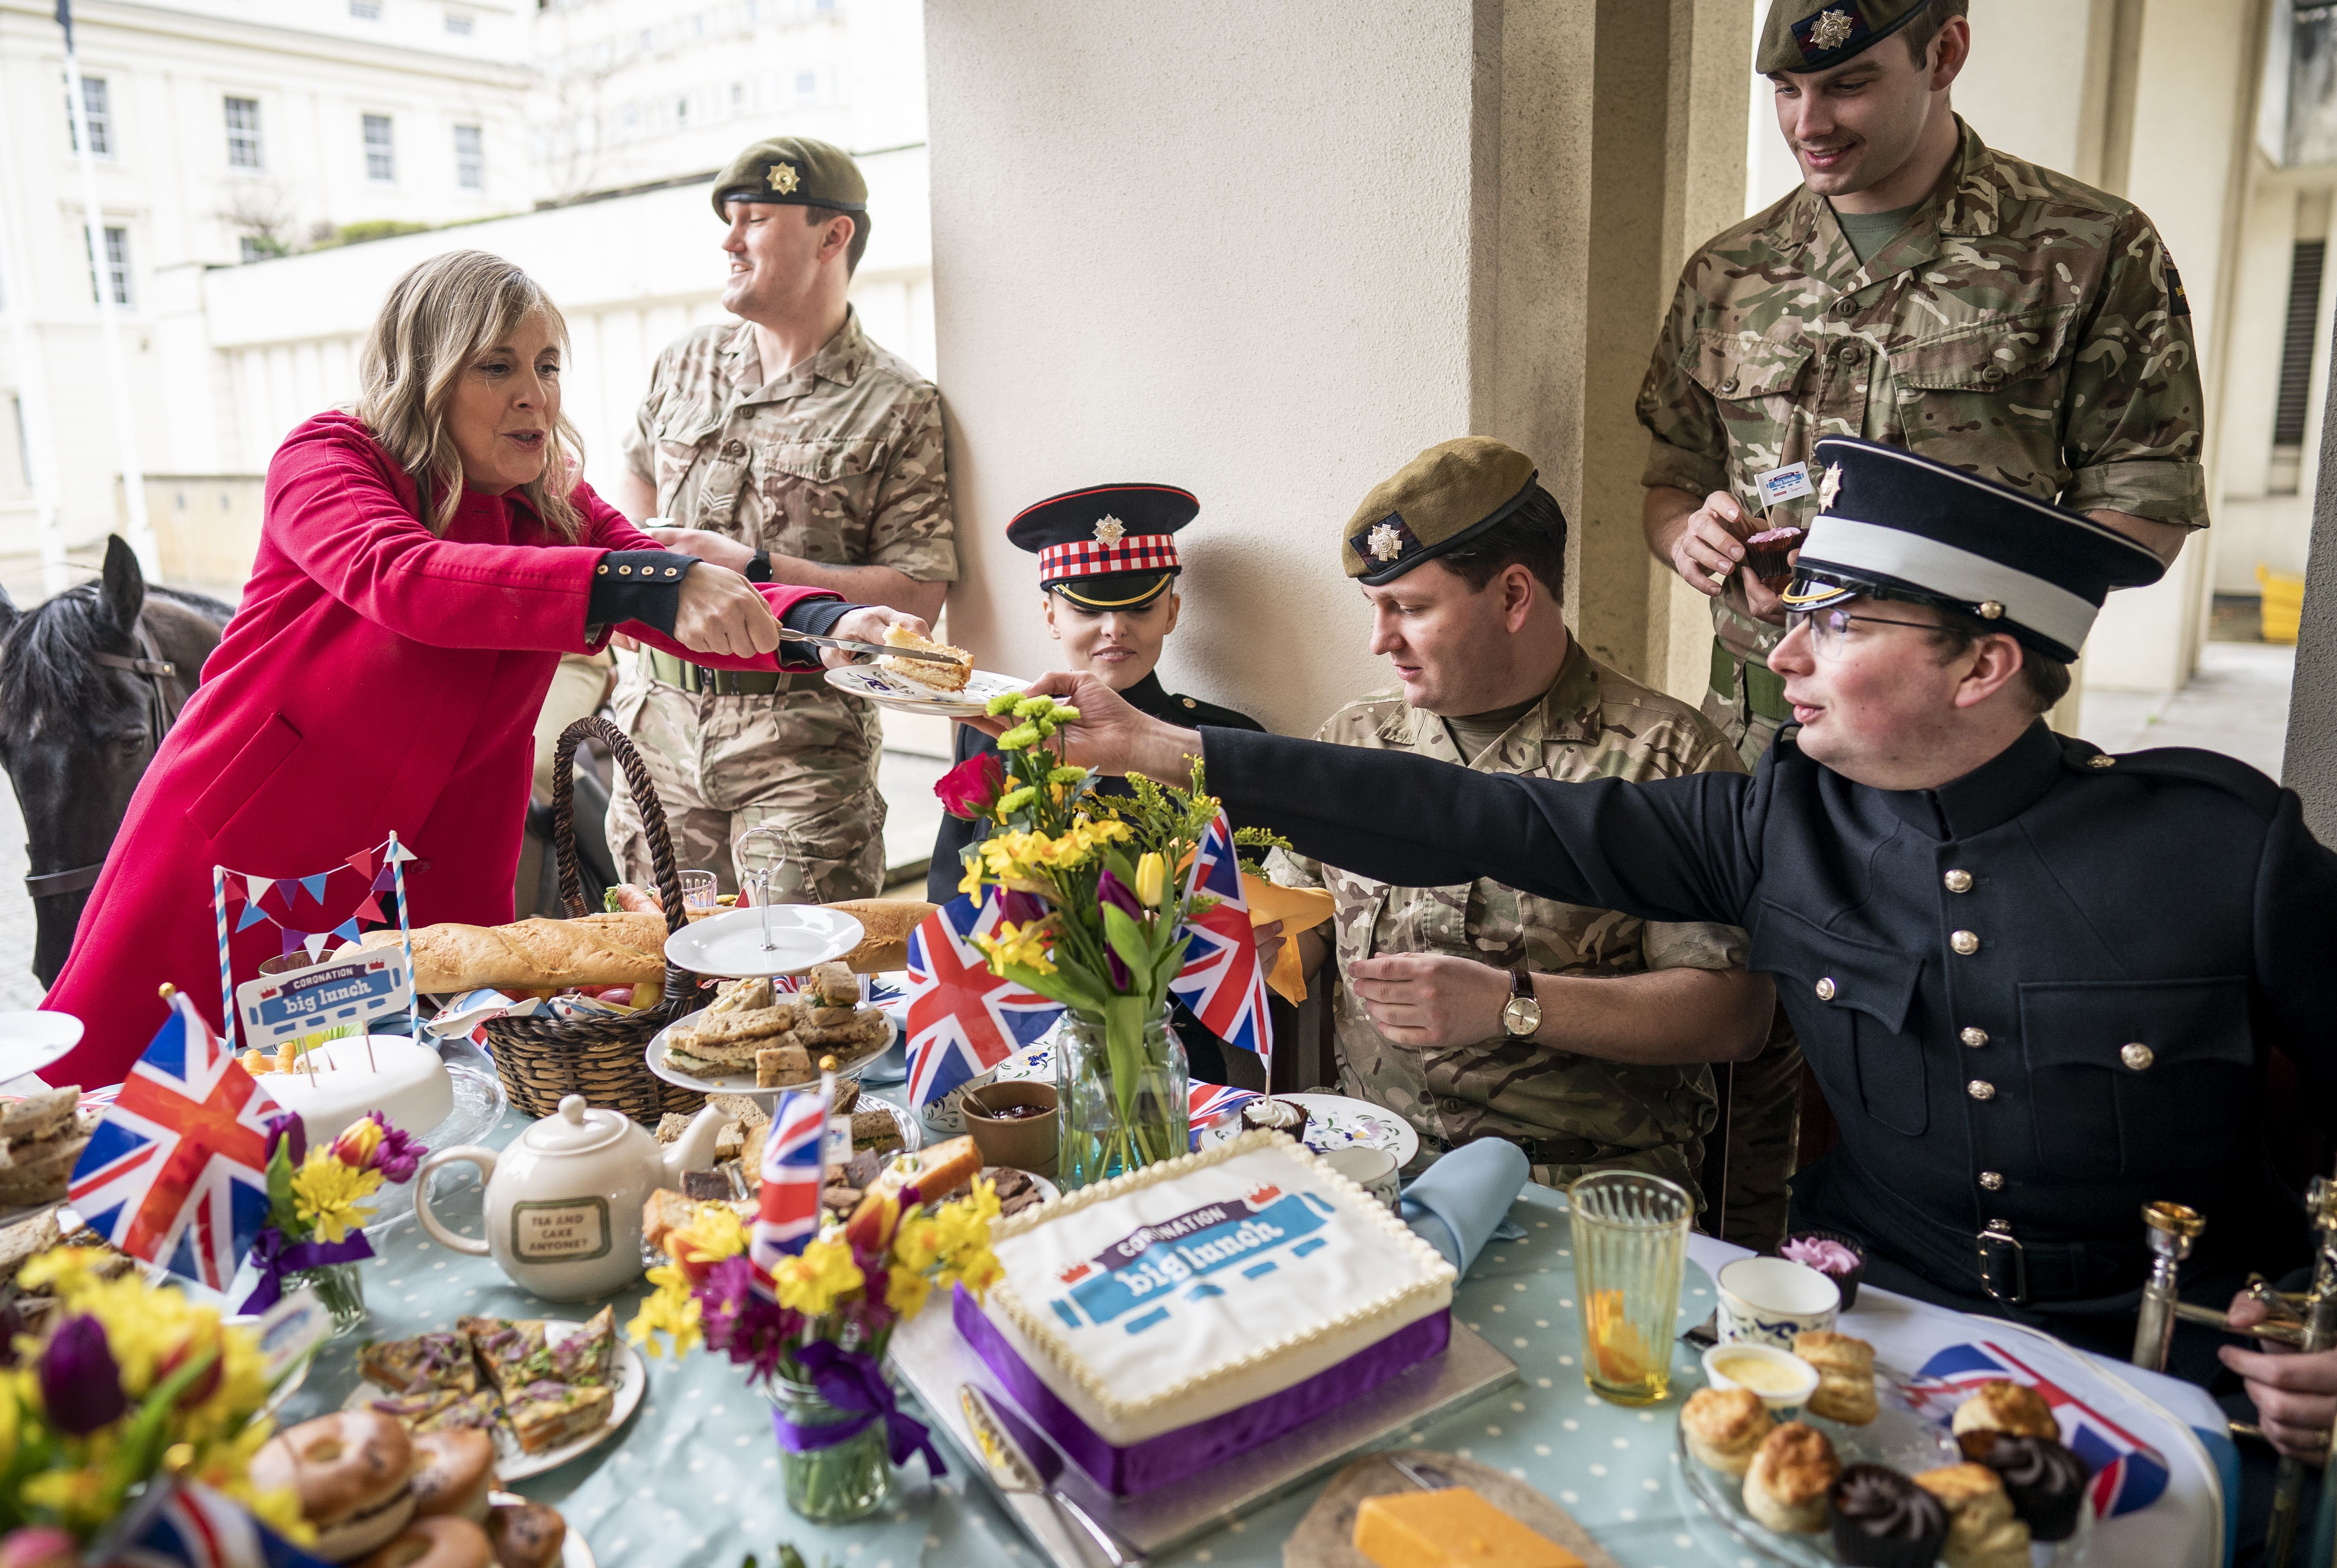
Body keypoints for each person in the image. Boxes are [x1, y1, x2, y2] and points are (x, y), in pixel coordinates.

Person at [995, 434, 2337, 1377]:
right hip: (1880, 1345)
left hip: (2179, 1365)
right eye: (1796, 612)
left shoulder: (2222, 854)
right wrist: (1177, 752)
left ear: (1986, 661)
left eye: (1844, 625)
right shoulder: (1779, 825)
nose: (1789, 653)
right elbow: (1486, 818)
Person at [42, 249, 919, 1087]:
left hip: (434, 877)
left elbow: (680, 596)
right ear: (425, 373)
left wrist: (832, 626)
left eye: (547, 366)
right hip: (251, 860)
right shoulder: (330, 459)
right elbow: (405, 577)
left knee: (399, 1122)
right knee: (128, 1117)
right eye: (497, 366)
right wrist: (644, 584)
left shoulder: (551, 497)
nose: (534, 396)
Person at [1633, 0, 2210, 1247]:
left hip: (1966, 750)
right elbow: (1671, 481)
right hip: (1766, 733)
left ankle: (1921, 1300)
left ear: (1946, 53)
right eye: (1785, 92)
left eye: (1843, 86)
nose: (1807, 123)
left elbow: (2145, 508)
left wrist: (1944, 616)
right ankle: (1750, 1287)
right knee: (1749, 1036)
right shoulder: (1731, 273)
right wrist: (1692, 536)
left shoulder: (2087, 249)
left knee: (1943, 1051)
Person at [1261, 439, 1775, 1208]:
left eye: (1411, 607)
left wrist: (1512, 1002)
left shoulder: (1666, 759)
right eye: (1375, 608)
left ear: (1512, 596)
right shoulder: (1354, 747)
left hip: (1581, 1187)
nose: (1380, 640)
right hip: (1374, 1167)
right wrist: (1222, 938)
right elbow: (1293, 934)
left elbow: (1735, 1015)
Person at [614, 135, 953, 903]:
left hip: (801, 753)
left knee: (801, 997)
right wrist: (646, 563)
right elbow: (634, 472)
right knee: (663, 983)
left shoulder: (897, 404)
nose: (730, 241)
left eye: (756, 219)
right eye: (731, 221)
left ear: (834, 235)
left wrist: (750, 570)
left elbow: (915, 600)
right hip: (656, 740)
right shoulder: (686, 361)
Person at [927, 482, 1268, 1085]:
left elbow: (1249, 929)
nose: (1115, 630)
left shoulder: (1221, 743)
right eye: (1088, 609)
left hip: (1168, 1053)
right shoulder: (997, 733)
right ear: (1051, 613)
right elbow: (951, 898)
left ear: (1172, 610)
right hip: (1011, 1047)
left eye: (1139, 607)